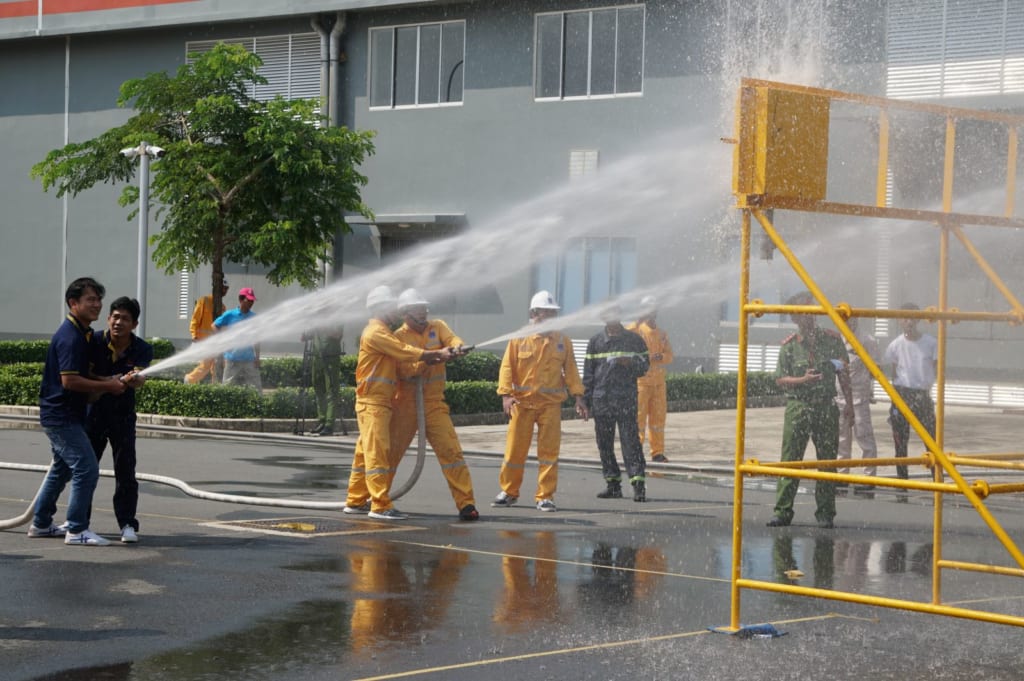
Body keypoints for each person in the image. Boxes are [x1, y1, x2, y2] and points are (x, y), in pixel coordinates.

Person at [343, 285, 455, 520]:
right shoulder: (376, 332)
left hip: (377, 401)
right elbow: (402, 350)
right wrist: (432, 355)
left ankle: (355, 500)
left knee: (364, 453)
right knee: (377, 453)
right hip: (373, 402)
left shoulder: (380, 330)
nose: (396, 312)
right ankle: (380, 505)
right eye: (391, 307)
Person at [29, 277, 127, 546]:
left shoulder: (81, 333)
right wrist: (107, 385)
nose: (96, 305)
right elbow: (69, 381)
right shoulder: (71, 337)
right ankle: (76, 529)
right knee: (86, 467)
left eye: (98, 299)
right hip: (62, 416)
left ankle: (41, 523)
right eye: (90, 300)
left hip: (65, 413)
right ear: (73, 304)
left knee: (61, 469)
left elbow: (83, 374)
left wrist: (110, 378)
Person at [492, 290, 589, 513]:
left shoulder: (563, 341)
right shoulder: (519, 338)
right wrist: (506, 395)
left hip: (550, 405)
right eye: (546, 313)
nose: (550, 317)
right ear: (534, 314)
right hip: (522, 404)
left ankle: (545, 496)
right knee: (514, 451)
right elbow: (507, 367)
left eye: (553, 313)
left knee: (549, 453)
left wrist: (578, 397)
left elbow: (572, 371)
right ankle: (509, 492)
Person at [389, 288, 478, 521]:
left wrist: (457, 347)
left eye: (425, 307)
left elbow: (452, 339)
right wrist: (434, 357)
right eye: (419, 307)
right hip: (406, 404)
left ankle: (466, 504)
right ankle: (376, 499)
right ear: (406, 313)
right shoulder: (398, 337)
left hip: (434, 403)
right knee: (391, 454)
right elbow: (404, 370)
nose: (424, 311)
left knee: (451, 451)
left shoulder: (437, 327)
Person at [766, 291, 852, 529]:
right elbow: (780, 379)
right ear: (795, 319)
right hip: (799, 407)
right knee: (790, 460)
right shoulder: (790, 347)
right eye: (802, 313)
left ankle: (825, 513)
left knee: (827, 461)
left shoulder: (833, 340)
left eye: (810, 311)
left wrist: (850, 407)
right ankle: (783, 511)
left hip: (826, 405)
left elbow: (843, 373)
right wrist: (803, 379)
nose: (808, 317)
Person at [87, 297, 152, 543]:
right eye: (115, 316)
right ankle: (80, 523)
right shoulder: (93, 342)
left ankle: (127, 524)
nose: (118, 322)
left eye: (125, 318)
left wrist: (137, 378)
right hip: (93, 414)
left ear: (134, 324)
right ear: (108, 319)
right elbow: (84, 373)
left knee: (125, 470)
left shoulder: (142, 349)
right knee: (86, 471)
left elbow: (139, 375)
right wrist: (110, 381)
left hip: (122, 416)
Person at [584, 305, 650, 502]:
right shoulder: (595, 342)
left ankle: (638, 485)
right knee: (604, 444)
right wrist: (584, 401)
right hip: (601, 400)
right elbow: (588, 374)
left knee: (631, 443)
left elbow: (645, 367)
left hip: (625, 399)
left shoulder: (634, 340)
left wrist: (628, 362)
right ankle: (612, 484)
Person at [884, 303, 938, 482]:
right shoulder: (895, 345)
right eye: (905, 318)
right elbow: (893, 372)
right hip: (902, 394)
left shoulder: (930, 343)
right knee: (900, 442)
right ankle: (902, 484)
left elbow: (937, 369)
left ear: (919, 319)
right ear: (900, 320)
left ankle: (937, 481)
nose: (909, 322)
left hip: (922, 394)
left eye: (912, 318)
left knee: (932, 441)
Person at [626, 295, 674, 462]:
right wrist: (638, 321)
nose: (652, 313)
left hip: (658, 384)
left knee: (658, 420)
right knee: (638, 419)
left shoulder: (662, 334)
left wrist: (659, 357)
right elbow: (624, 335)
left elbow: (670, 356)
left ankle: (657, 452)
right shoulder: (637, 330)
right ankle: (635, 451)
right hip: (641, 383)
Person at [834, 316, 880, 492]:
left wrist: (869, 389)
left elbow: (876, 368)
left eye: (850, 320)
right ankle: (841, 474)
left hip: (859, 395)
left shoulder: (867, 340)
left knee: (864, 436)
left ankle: (868, 477)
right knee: (842, 437)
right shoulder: (837, 339)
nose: (848, 324)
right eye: (843, 321)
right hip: (840, 395)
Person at [213, 287, 261, 390]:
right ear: (240, 299)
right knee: (227, 387)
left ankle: (259, 405)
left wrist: (257, 357)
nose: (251, 303)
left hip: (249, 360)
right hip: (232, 359)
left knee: (256, 388)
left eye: (252, 301)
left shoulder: (254, 317)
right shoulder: (230, 315)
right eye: (249, 300)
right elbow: (214, 325)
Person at [184, 278, 229, 384]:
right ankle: (189, 380)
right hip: (203, 341)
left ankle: (216, 386)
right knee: (206, 365)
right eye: (224, 288)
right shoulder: (204, 300)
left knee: (217, 366)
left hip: (216, 342)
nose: (225, 291)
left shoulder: (223, 307)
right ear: (217, 288)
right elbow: (195, 318)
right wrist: (194, 335)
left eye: (227, 289)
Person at [304, 324, 343, 436]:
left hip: (331, 358)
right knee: (318, 388)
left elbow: (338, 335)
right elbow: (305, 337)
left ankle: (329, 424)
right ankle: (322, 420)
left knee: (331, 390)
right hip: (317, 359)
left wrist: (322, 325)